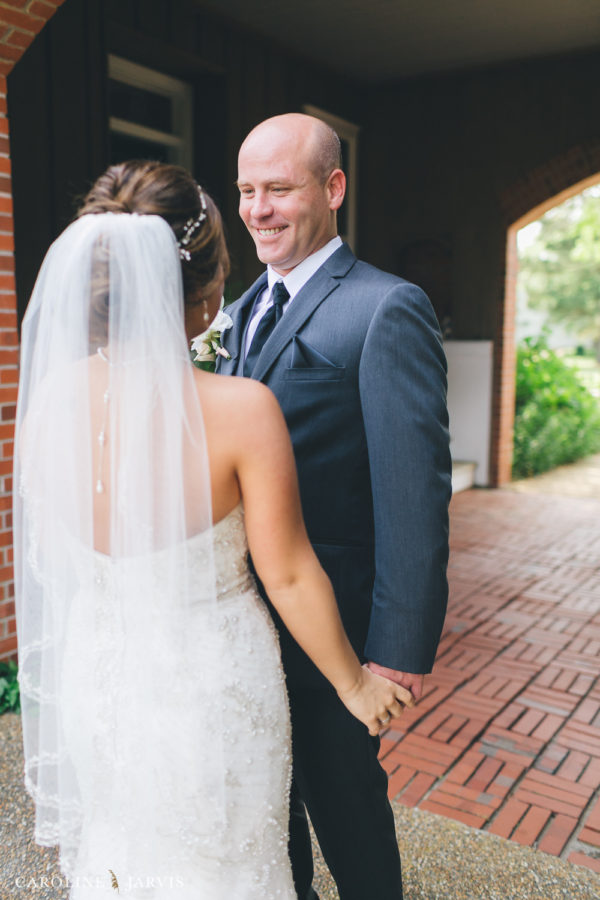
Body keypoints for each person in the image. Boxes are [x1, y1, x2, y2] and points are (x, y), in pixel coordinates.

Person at [13, 161, 415, 900]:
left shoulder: (48, 404)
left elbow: (51, 554)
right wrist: (354, 685)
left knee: (128, 857)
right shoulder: (240, 410)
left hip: (101, 678)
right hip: (211, 687)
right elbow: (290, 573)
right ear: (203, 297)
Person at [217, 113, 452, 899]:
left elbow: (414, 490)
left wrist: (398, 648)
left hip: (336, 624)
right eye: (247, 191)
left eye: (278, 189)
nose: (258, 210)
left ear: (333, 188)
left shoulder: (387, 307)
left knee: (344, 804)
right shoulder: (241, 309)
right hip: (244, 621)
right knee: (267, 803)